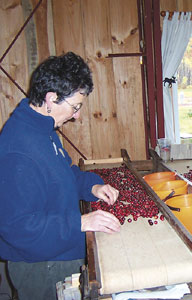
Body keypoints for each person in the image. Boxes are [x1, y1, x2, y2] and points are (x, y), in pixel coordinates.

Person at [0, 52, 121, 299]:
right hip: (41, 266)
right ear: (51, 98)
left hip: (60, 250)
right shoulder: (18, 149)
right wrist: (80, 223)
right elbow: (16, 228)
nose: (77, 116)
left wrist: (93, 187)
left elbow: (64, 174)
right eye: (75, 107)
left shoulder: (44, 128)